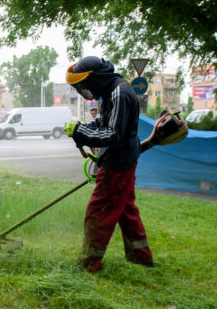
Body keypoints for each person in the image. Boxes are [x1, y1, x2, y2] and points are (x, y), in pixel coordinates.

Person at [63, 56, 153, 272]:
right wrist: (82, 126)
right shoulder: (110, 91)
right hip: (123, 157)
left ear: (95, 78)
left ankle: (88, 261)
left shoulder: (119, 93)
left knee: (99, 210)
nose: (83, 91)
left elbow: (112, 134)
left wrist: (80, 132)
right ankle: (141, 257)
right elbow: (105, 123)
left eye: (83, 85)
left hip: (118, 160)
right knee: (125, 209)